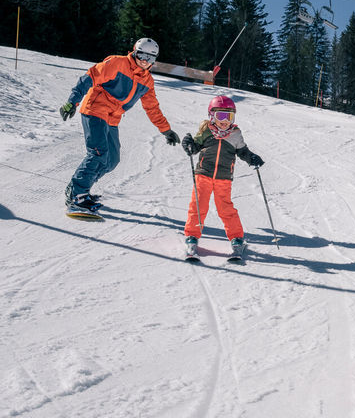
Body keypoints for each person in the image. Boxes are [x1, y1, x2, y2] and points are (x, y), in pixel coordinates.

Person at [60, 38, 180, 212]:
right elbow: (90, 77)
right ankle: (77, 195)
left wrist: (166, 130)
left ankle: (80, 188)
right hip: (95, 109)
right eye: (142, 55)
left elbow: (152, 107)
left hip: (112, 118)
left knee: (112, 160)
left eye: (150, 58)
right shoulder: (117, 63)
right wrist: (73, 101)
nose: (145, 61)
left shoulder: (147, 82)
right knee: (98, 153)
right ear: (134, 52)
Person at [180, 95, 264, 255]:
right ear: (212, 115)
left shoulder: (235, 134)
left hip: (223, 177)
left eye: (229, 116)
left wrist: (252, 158)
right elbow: (195, 147)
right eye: (221, 116)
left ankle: (236, 238)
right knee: (198, 205)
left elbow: (243, 151)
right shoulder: (206, 131)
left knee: (225, 208)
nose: (225, 120)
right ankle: (192, 235)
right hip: (203, 174)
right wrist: (189, 144)